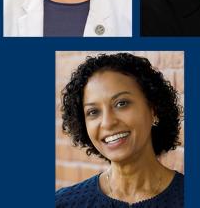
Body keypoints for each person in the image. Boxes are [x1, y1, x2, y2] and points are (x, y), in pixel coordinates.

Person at [56, 53, 184, 207]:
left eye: (121, 103)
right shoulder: (63, 203)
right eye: (93, 112)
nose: (108, 123)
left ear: (153, 109)